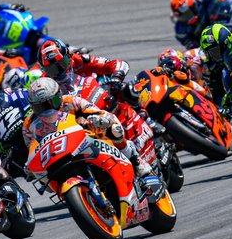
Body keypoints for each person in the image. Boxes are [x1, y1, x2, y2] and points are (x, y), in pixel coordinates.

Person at [23, 78, 157, 184]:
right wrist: (31, 165)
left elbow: (99, 112)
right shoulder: (29, 125)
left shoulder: (72, 101)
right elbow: (32, 148)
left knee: (113, 129)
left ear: (59, 96)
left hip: (85, 139)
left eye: (52, 102)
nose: (49, 109)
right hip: (58, 154)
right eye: (42, 107)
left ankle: (135, 160)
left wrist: (98, 120)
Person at [37, 38, 129, 94]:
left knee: (127, 91)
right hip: (72, 111)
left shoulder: (79, 60)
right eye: (51, 69)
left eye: (62, 64)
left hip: (96, 95)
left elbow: (119, 64)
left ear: (68, 56)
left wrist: (117, 76)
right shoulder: (44, 81)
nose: (59, 71)